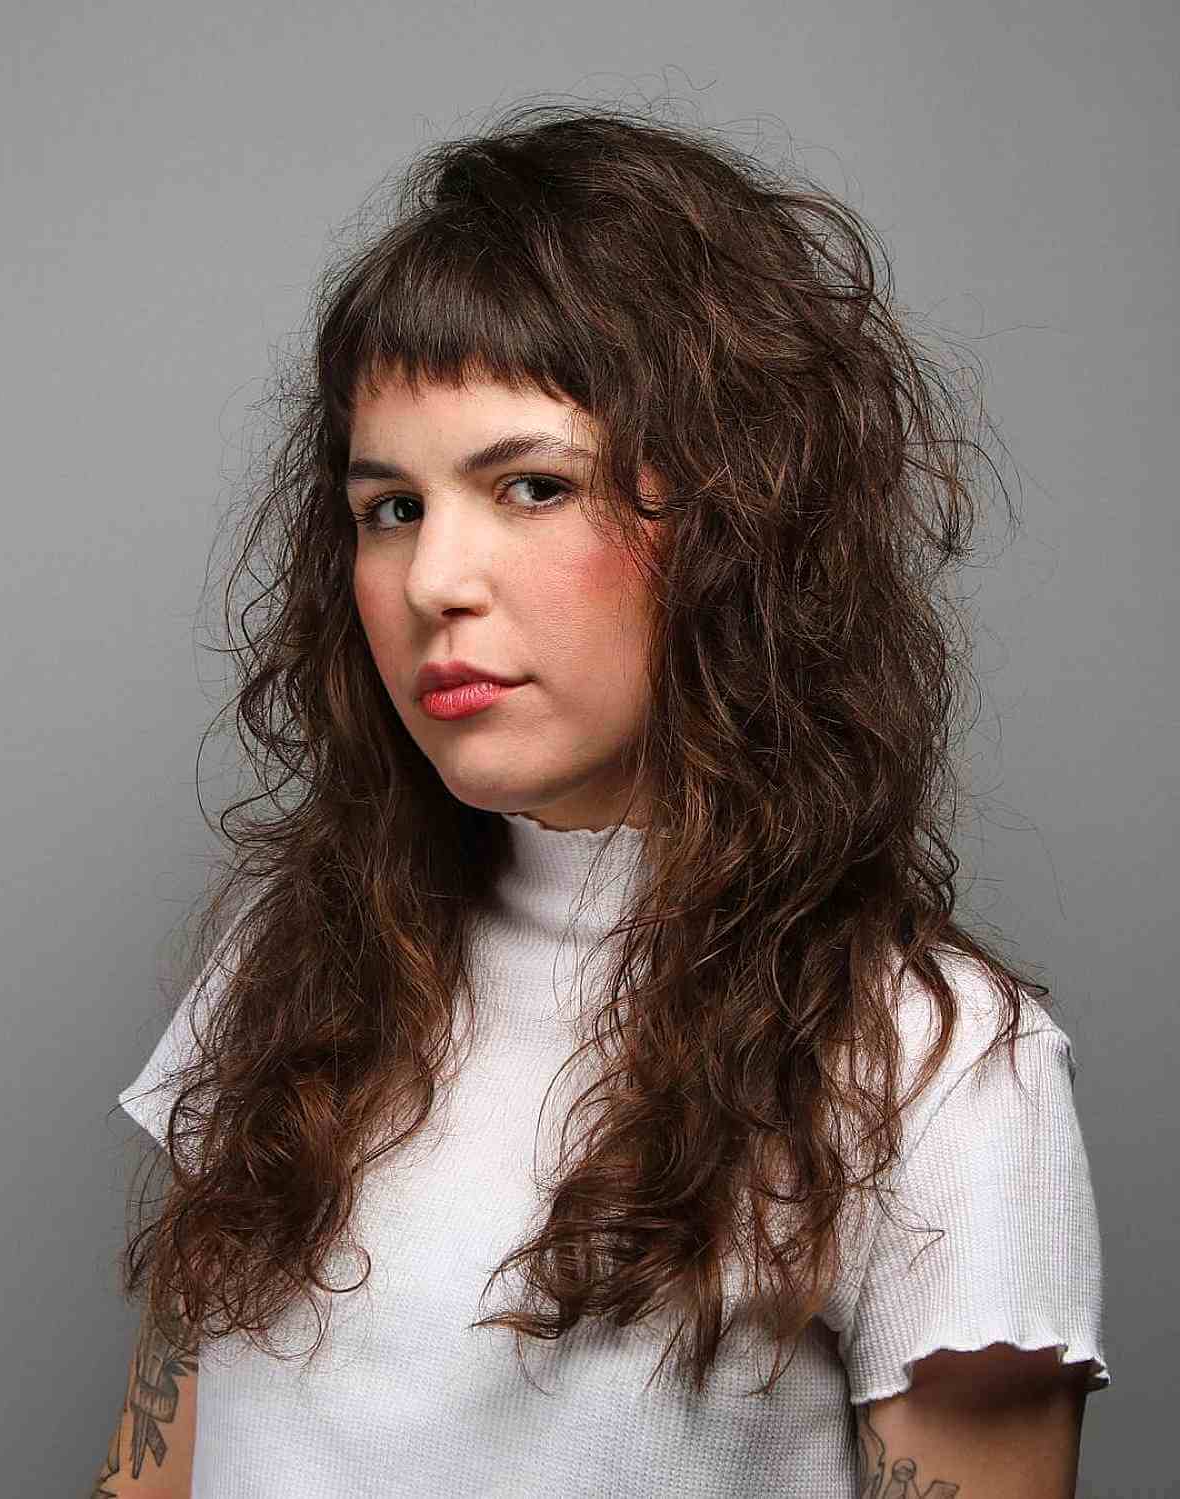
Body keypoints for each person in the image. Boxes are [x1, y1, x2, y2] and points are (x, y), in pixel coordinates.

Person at [96, 100, 1109, 1498]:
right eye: (391, 507)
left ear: (740, 524)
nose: (433, 580)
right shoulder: (289, 958)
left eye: (530, 486)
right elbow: (153, 1473)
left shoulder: (933, 1063)